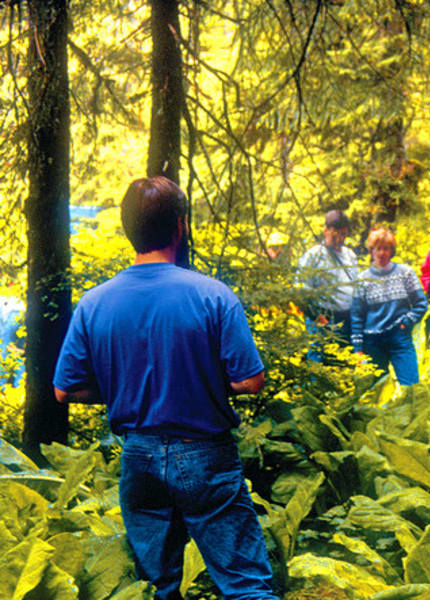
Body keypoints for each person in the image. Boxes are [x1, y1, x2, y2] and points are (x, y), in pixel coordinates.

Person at [52, 176, 277, 600]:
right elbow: (249, 380)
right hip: (205, 454)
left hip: (137, 456)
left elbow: (65, 391)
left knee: (156, 588)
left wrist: (121, 388)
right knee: (246, 585)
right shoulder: (213, 296)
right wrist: (197, 381)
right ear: (181, 225)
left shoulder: (95, 302)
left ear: (127, 229)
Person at [350, 228, 428, 386]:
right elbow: (357, 316)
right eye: (378, 248)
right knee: (377, 390)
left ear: (391, 250)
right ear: (371, 251)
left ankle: (413, 411)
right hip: (372, 342)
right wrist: (358, 348)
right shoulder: (362, 279)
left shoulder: (405, 273)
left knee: (411, 386)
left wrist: (406, 321)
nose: (382, 253)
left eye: (386, 248)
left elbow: (421, 304)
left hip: (399, 336)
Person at [297, 209, 359, 347]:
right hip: (322, 317)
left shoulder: (350, 255)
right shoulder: (313, 255)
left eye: (343, 234)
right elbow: (301, 288)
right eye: (335, 234)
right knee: (318, 359)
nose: (340, 239)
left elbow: (356, 286)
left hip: (347, 320)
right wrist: (316, 316)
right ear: (326, 230)